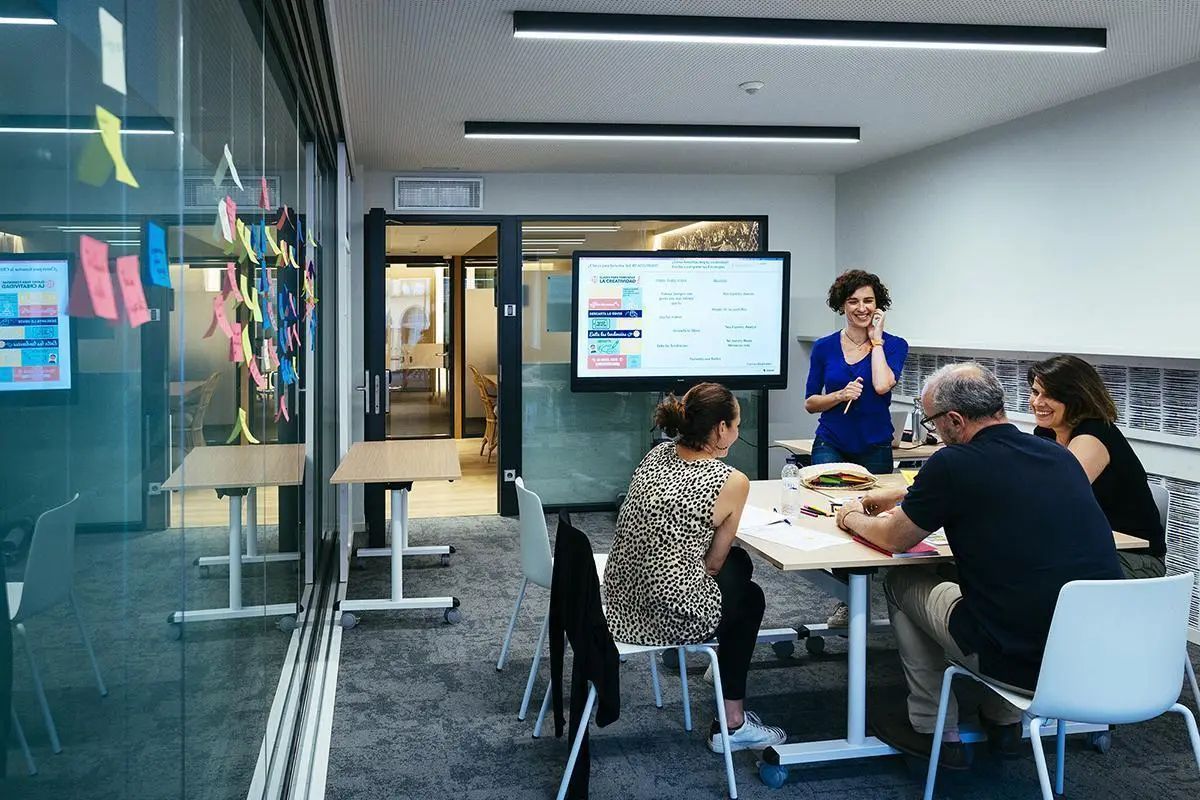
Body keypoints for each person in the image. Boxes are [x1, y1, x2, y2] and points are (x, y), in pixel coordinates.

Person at [834, 363, 1121, 768]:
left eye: (932, 422)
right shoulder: (1058, 455)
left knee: (902, 580)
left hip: (1017, 660)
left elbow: (894, 539)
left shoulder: (954, 463)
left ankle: (933, 727)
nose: (934, 431)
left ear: (955, 420)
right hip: (1093, 652)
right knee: (1007, 587)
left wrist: (850, 516)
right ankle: (1005, 723)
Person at [604, 382, 787, 754]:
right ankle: (732, 724)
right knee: (750, 598)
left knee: (741, 565)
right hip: (663, 616)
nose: (737, 432)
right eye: (736, 425)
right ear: (720, 428)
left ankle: (723, 663)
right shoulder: (731, 481)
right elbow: (714, 563)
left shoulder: (657, 454)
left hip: (619, 598)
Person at [804, 269, 909, 628]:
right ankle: (847, 597)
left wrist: (876, 342)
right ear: (842, 306)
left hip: (874, 444)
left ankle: (858, 594)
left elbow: (881, 385)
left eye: (868, 301)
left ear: (878, 306)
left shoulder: (894, 345)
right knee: (834, 513)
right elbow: (810, 402)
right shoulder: (824, 347)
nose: (861, 308)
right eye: (853, 301)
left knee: (872, 517)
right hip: (831, 441)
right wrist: (839, 395)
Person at [1028, 355, 1166, 578]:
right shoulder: (1046, 433)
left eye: (1050, 395)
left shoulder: (1093, 436)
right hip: (1086, 549)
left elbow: (1049, 499)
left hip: (1131, 559)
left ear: (1076, 398)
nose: (1037, 402)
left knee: (1025, 578)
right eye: (1035, 392)